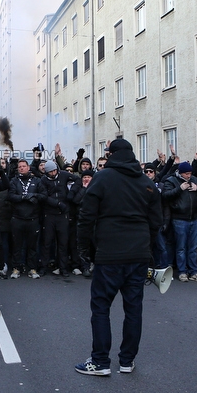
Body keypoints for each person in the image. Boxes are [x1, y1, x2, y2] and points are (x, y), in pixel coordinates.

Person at [75, 138, 162, 376]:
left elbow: (86, 216)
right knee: (134, 308)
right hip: (138, 253)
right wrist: (148, 248)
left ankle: (100, 361)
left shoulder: (102, 178)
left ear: (111, 154)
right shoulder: (146, 183)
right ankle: (127, 360)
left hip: (110, 253)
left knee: (101, 307)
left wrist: (83, 248)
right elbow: (156, 222)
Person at [162, 161, 197, 282]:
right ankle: (182, 271)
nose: (189, 176)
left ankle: (194, 271)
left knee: (193, 247)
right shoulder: (172, 180)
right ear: (181, 173)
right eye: (186, 174)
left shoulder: (194, 180)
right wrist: (179, 189)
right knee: (181, 247)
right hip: (179, 219)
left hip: (194, 218)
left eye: (190, 173)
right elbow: (165, 195)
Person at [7, 159, 42, 278]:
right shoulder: (14, 181)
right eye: (19, 167)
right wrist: (24, 197)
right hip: (17, 218)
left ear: (28, 167)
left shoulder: (37, 181)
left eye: (23, 166)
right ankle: (16, 268)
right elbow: (10, 196)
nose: (21, 168)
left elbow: (43, 195)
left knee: (32, 245)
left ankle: (32, 268)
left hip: (33, 218)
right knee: (17, 245)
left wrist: (34, 195)